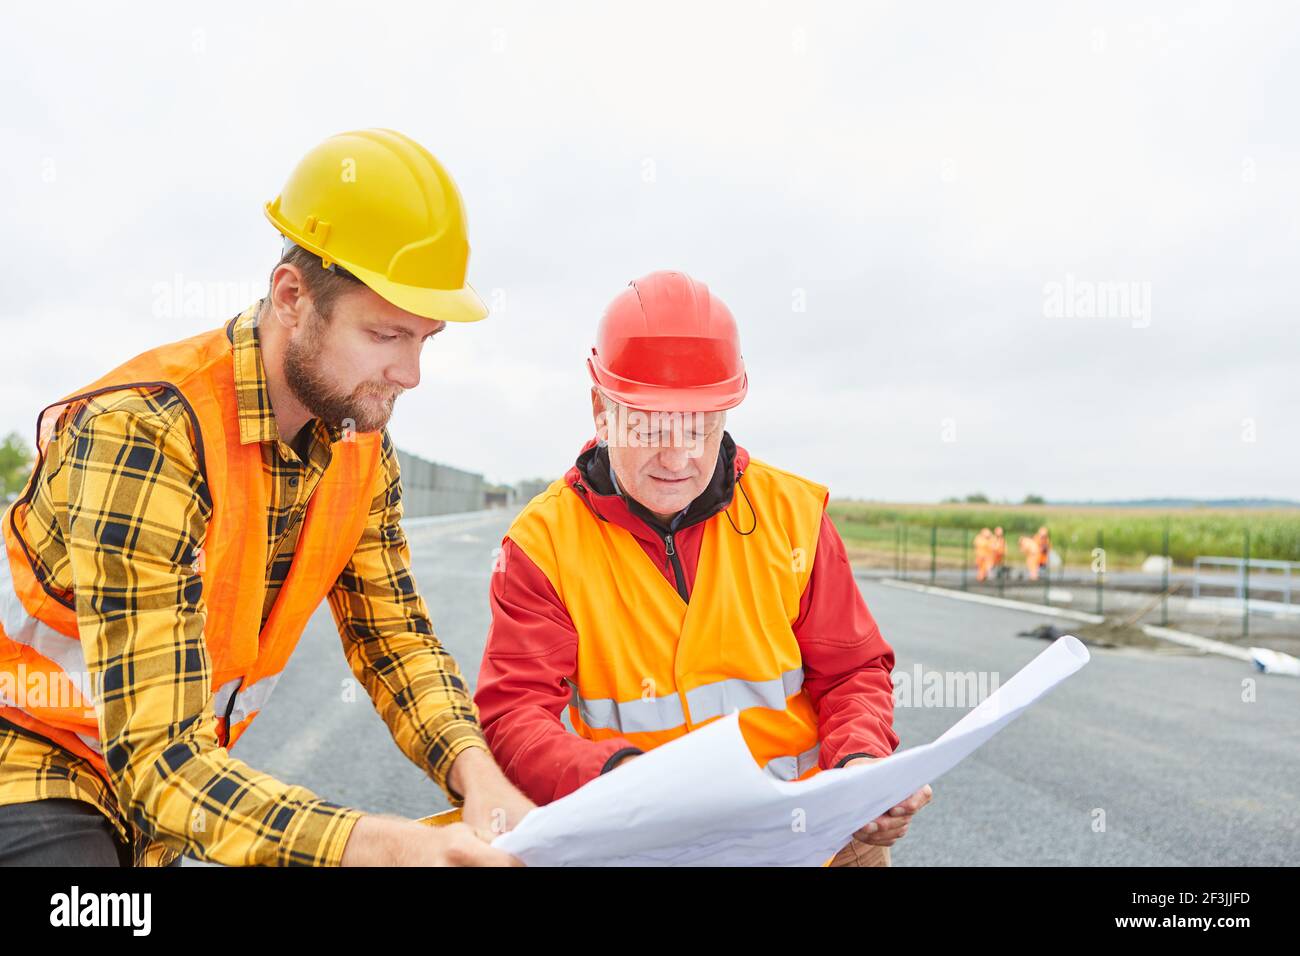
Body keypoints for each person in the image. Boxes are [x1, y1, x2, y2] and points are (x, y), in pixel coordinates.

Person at [0, 129, 533, 867]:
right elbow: (157, 756)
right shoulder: (148, 433)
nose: (411, 373)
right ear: (292, 298)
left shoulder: (361, 446)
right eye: (385, 334)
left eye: (425, 339)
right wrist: (380, 847)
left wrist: (480, 775)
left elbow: (395, 641)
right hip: (31, 764)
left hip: (164, 804)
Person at [474, 270, 932, 867]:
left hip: (816, 847)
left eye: (700, 423)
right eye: (651, 423)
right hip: (643, 847)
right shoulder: (544, 543)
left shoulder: (793, 515)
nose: (679, 454)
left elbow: (853, 671)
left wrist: (861, 766)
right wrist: (624, 784)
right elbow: (515, 716)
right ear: (600, 410)